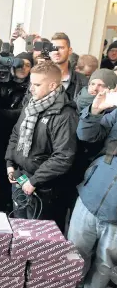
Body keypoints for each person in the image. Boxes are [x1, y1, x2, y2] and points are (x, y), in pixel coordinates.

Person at [5, 61, 78, 232]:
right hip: (20, 178)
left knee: (36, 237)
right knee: (19, 229)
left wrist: (34, 181)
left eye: (37, 84)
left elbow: (63, 156)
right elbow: (16, 134)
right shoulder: (30, 105)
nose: (31, 88)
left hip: (43, 189)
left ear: (53, 85)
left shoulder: (65, 115)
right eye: (31, 83)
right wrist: (10, 164)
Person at [68, 89, 117, 288]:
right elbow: (86, 135)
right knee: (74, 256)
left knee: (104, 265)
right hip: (91, 196)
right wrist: (96, 110)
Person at [0, 52, 33, 212]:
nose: (23, 67)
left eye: (27, 65)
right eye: (20, 63)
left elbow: (21, 113)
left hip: (14, 138)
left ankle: (3, 208)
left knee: (7, 176)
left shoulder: (32, 87)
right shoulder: (2, 78)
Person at [49, 32, 87, 101]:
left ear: (70, 51)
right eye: (53, 48)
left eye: (61, 48)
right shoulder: (40, 77)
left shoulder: (82, 81)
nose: (56, 52)